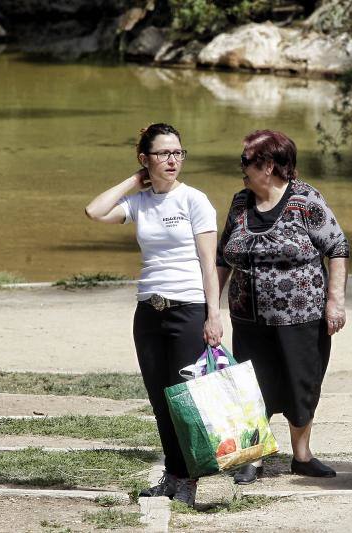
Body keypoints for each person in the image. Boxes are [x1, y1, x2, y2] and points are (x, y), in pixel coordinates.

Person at [84, 123, 222, 508]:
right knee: (160, 401)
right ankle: (173, 476)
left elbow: (209, 263)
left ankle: (189, 480)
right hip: (149, 310)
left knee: (185, 399)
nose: (173, 160)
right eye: (163, 153)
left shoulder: (195, 200)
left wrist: (214, 315)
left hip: (189, 309)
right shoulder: (140, 202)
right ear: (146, 159)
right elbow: (94, 211)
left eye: (178, 152)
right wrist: (134, 179)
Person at [216, 130, 349, 484]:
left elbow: (336, 247)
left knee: (300, 384)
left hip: (302, 318)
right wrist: (211, 307)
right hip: (248, 318)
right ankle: (253, 457)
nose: (241, 167)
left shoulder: (306, 200)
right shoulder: (240, 203)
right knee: (252, 385)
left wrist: (335, 301)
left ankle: (302, 456)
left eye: (246, 160)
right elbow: (222, 257)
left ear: (269, 165)